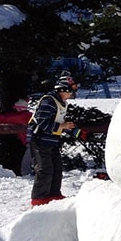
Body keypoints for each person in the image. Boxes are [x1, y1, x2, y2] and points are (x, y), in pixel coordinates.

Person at [28, 76, 82, 207]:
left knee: (57, 167)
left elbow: (59, 122)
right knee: (45, 169)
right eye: (69, 91)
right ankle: (39, 198)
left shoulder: (62, 103)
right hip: (40, 140)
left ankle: (53, 194)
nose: (70, 95)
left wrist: (71, 129)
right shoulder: (49, 101)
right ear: (62, 89)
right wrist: (62, 127)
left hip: (52, 141)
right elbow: (42, 122)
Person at [0, 99, 33, 176]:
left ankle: (27, 178)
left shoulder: (22, 116)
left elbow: (5, 118)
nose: (15, 110)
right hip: (33, 143)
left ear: (20, 108)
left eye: (16, 108)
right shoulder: (27, 115)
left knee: (26, 165)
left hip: (33, 143)